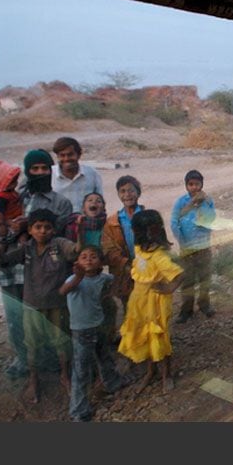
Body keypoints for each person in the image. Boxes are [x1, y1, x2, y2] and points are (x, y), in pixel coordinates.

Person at [0, 149, 73, 380]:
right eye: (35, 169)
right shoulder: (11, 196)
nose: (40, 173)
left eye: (45, 168)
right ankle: (23, 359)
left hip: (44, 272)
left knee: (48, 317)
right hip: (12, 268)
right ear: (27, 170)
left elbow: (59, 234)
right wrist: (11, 228)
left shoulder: (60, 202)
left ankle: (53, 360)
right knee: (16, 317)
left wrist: (29, 228)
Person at [0, 208, 78, 404]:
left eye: (47, 227)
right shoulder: (27, 248)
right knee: (32, 345)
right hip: (32, 306)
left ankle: (65, 376)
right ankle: (34, 380)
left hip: (57, 305)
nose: (43, 231)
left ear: (54, 230)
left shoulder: (59, 244)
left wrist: (81, 229)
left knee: (62, 342)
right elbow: (3, 261)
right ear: (30, 230)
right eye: (38, 227)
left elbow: (75, 251)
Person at [117, 209, 184, 393]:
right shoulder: (139, 250)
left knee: (159, 337)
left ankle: (166, 374)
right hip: (138, 303)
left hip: (154, 305)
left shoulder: (159, 256)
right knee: (144, 336)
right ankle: (150, 371)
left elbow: (178, 274)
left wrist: (169, 289)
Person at [59, 246, 129, 422]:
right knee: (81, 370)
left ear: (101, 263)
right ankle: (78, 410)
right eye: (84, 257)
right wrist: (78, 276)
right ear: (77, 263)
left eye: (93, 257)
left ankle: (112, 382)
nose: (88, 260)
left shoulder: (104, 278)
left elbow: (114, 282)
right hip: (81, 331)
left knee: (104, 356)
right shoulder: (74, 280)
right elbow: (63, 291)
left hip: (99, 326)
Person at [170, 169, 217, 322]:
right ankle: (186, 310)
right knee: (188, 280)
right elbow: (174, 222)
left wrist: (201, 205)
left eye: (197, 184)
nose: (194, 187)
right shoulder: (180, 202)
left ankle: (204, 305)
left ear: (202, 185)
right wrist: (182, 243)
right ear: (186, 186)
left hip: (204, 248)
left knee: (205, 278)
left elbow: (211, 219)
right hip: (187, 250)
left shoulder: (208, 201)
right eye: (191, 184)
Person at [101, 175, 144, 336]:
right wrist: (126, 264)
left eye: (131, 190)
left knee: (148, 303)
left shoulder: (148, 215)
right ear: (118, 195)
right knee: (128, 303)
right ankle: (132, 340)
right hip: (124, 271)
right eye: (123, 191)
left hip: (146, 269)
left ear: (138, 193)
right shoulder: (112, 221)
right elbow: (109, 248)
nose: (127, 194)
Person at [51, 136, 104, 214]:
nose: (66, 159)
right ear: (57, 157)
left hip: (87, 223)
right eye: (62, 155)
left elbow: (100, 202)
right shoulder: (50, 174)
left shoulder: (92, 174)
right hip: (58, 223)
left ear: (79, 155)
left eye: (70, 154)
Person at [0, 159, 24, 240]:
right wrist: (3, 225)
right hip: (6, 221)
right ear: (2, 182)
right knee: (4, 241)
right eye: (12, 182)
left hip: (15, 218)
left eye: (16, 180)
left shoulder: (10, 192)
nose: (16, 183)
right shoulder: (1, 198)